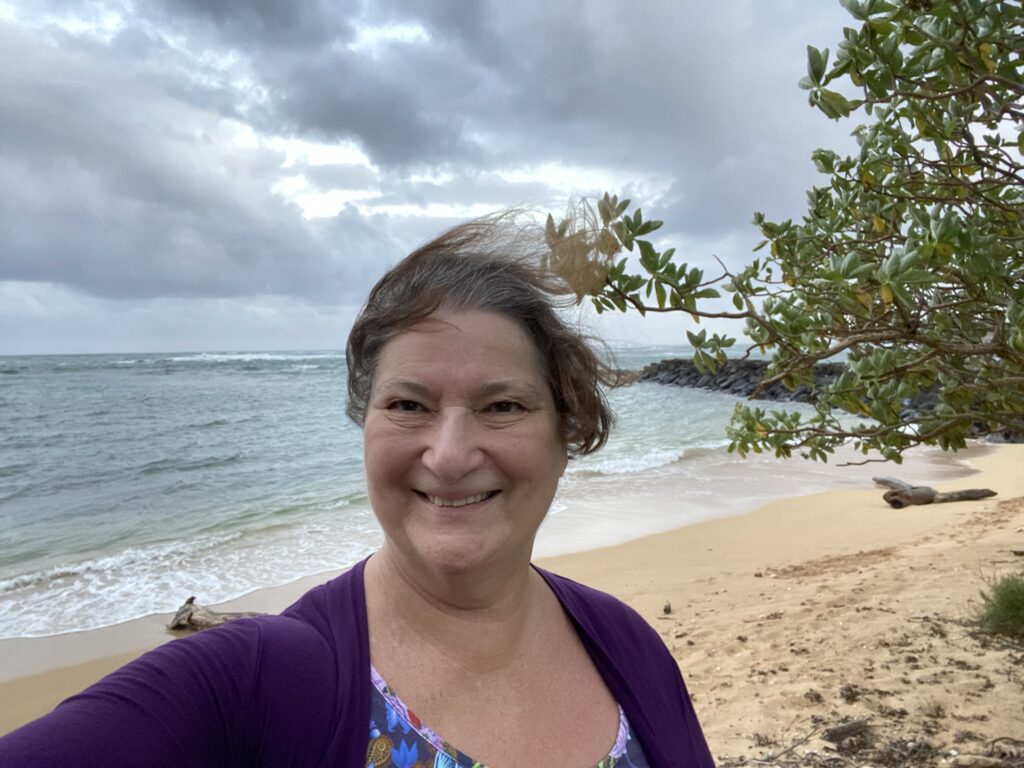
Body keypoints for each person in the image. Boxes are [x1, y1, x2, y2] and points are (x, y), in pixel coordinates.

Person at [0, 215, 714, 767]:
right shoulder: (253, 683)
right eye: (408, 405)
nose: (450, 453)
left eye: (503, 406)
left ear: (567, 431)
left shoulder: (628, 648)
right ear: (364, 425)